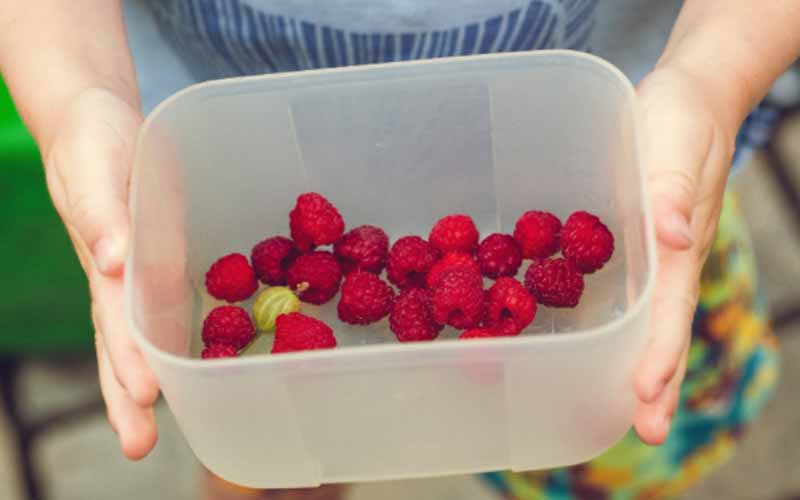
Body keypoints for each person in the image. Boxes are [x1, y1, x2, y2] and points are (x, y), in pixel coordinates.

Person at [0, 0, 796, 498]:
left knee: (602, 437)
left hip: (616, 164)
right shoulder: (323, 267)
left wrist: (707, 77)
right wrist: (79, 97)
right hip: (232, 165)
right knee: (283, 447)